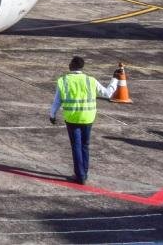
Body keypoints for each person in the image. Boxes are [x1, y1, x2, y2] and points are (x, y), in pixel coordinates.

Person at [48, 56, 121, 184]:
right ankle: (84, 173)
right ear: (82, 67)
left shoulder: (63, 81)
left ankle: (80, 175)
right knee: (85, 145)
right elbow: (108, 93)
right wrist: (114, 79)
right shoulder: (90, 80)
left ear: (71, 66)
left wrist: (52, 115)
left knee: (76, 146)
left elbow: (57, 101)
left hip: (72, 118)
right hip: (88, 118)